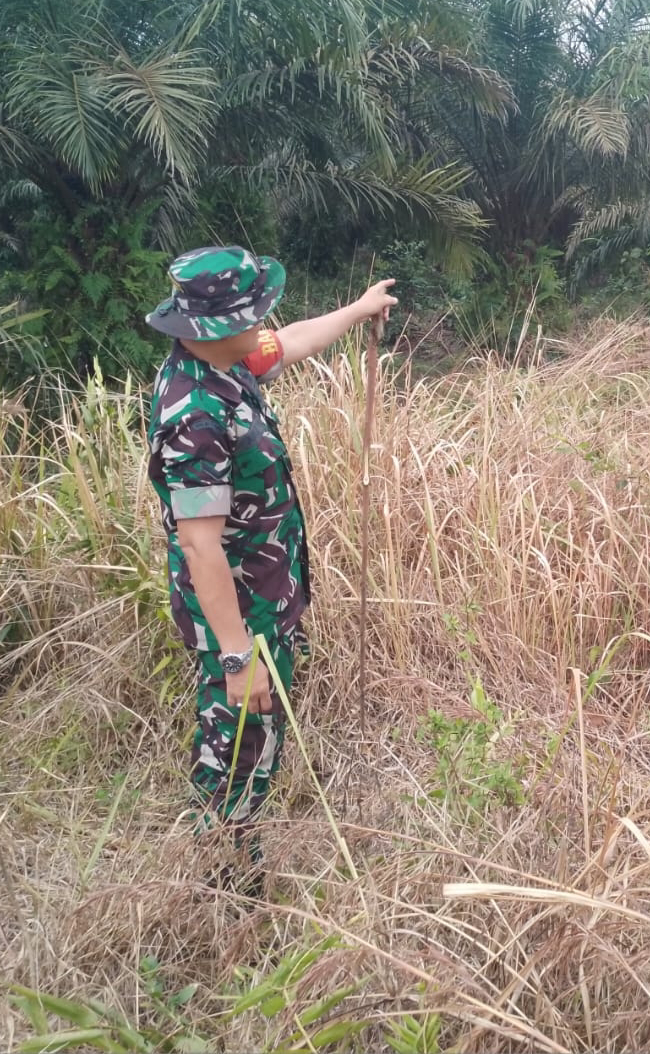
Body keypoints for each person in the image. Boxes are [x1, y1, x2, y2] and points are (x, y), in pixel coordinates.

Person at [144, 245, 396, 893]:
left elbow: (289, 343)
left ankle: (238, 848)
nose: (265, 322)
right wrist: (235, 656)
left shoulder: (229, 362)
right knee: (238, 740)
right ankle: (223, 881)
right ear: (218, 325)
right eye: (254, 313)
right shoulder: (191, 413)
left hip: (267, 589)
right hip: (237, 612)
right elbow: (200, 547)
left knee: (260, 730)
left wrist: (361, 308)